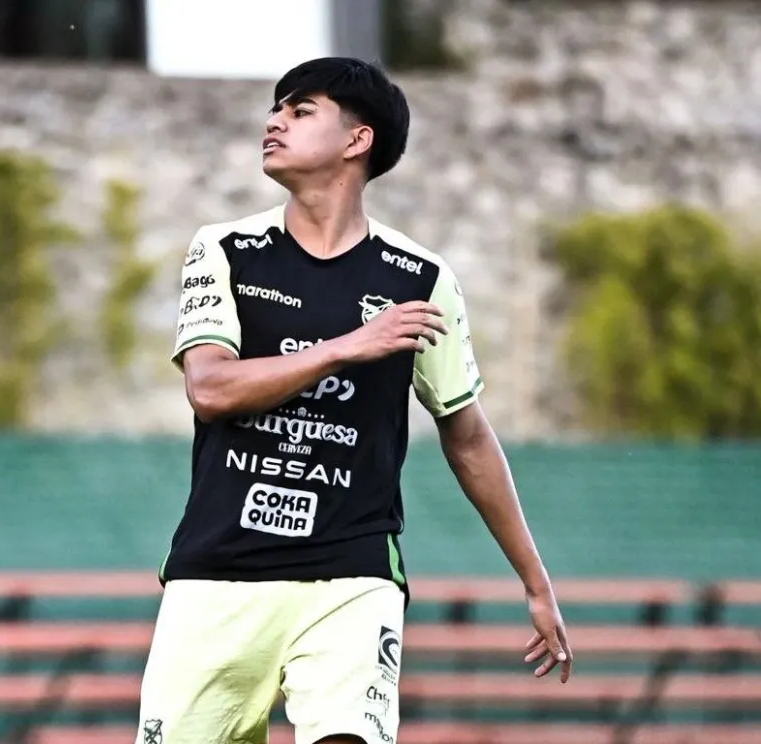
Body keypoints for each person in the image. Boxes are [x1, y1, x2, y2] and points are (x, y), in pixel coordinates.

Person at [136, 57, 573, 744]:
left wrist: (536, 583)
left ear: (357, 139)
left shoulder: (421, 279)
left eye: (300, 110)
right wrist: (345, 347)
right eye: (276, 109)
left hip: (352, 574)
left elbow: (467, 436)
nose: (274, 122)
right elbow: (210, 389)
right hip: (217, 574)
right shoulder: (225, 250)